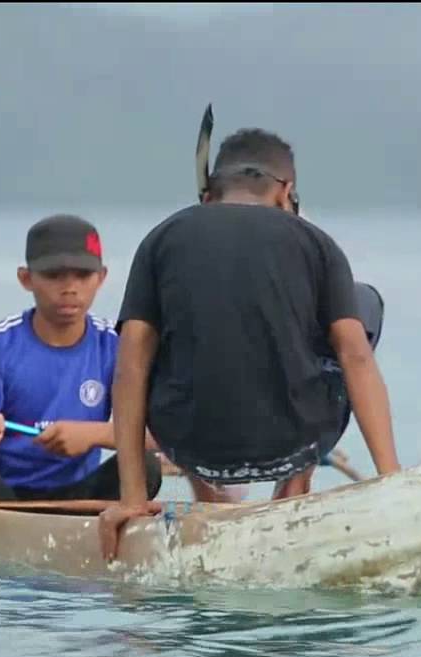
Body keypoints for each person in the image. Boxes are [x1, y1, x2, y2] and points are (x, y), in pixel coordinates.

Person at [98, 126, 402, 560]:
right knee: (362, 305)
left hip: (190, 446)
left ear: (210, 192)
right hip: (294, 441)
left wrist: (132, 497)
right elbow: (355, 355)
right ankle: (295, 483)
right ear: (287, 193)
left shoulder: (161, 239)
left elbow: (130, 367)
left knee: (159, 342)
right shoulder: (317, 245)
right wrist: (391, 481)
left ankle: (206, 493)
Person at [0, 213, 164, 503]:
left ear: (101, 278)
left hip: (75, 493)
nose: (70, 288)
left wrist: (94, 434)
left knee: (148, 467)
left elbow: (162, 436)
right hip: (2, 493)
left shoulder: (116, 344)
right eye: (53, 276)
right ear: (26, 279)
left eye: (83, 276)